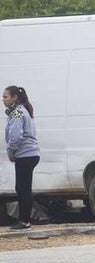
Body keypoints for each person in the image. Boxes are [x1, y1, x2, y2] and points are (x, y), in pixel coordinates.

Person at [4, 85, 40, 230]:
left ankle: (24, 221)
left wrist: (11, 152)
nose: (3, 100)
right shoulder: (23, 110)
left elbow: (16, 136)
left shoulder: (17, 113)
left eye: (5, 96)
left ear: (14, 98)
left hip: (25, 154)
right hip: (30, 153)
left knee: (23, 188)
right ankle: (24, 219)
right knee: (22, 187)